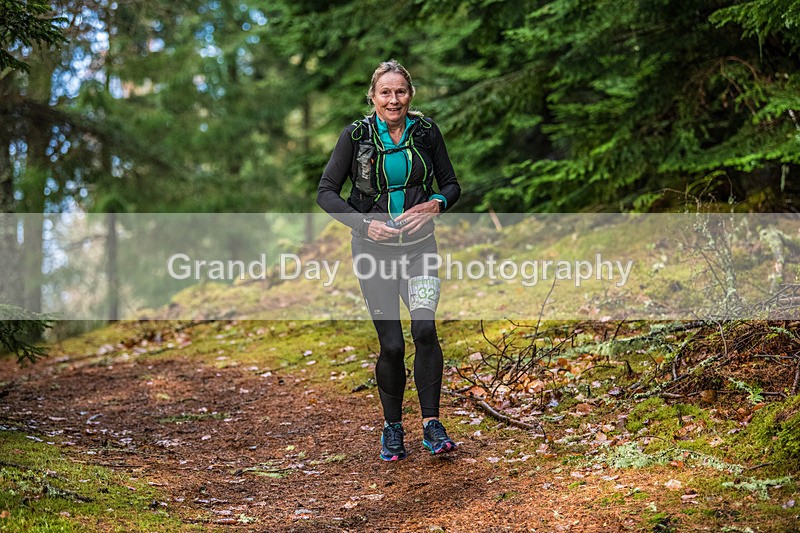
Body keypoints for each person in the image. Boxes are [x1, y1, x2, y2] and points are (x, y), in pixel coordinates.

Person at [317, 59, 461, 461]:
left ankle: (432, 424)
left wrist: (437, 203)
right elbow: (326, 191)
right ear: (373, 96)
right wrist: (363, 226)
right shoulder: (356, 135)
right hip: (373, 252)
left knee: (425, 329)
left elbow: (451, 184)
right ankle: (392, 428)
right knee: (393, 345)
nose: (393, 99)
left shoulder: (427, 132)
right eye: (385, 92)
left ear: (409, 95)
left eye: (400, 92)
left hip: (420, 250)